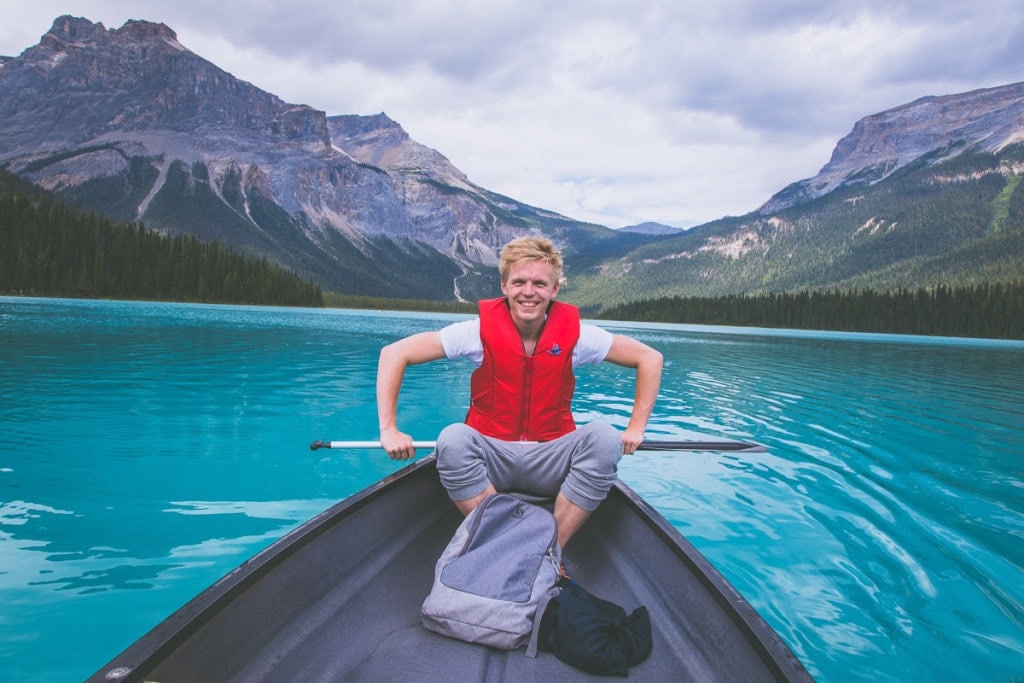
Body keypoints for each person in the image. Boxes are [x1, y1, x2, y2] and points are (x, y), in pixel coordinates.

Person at [376, 236, 663, 548]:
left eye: (540, 284)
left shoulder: (578, 336)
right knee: (452, 440)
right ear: (504, 286)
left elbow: (649, 358)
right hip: (492, 461)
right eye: (519, 282)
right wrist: (389, 430)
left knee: (604, 438)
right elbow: (394, 354)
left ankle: (550, 548)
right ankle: (508, 546)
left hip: (551, 460)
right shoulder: (475, 332)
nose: (529, 292)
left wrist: (636, 428)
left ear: (554, 290)